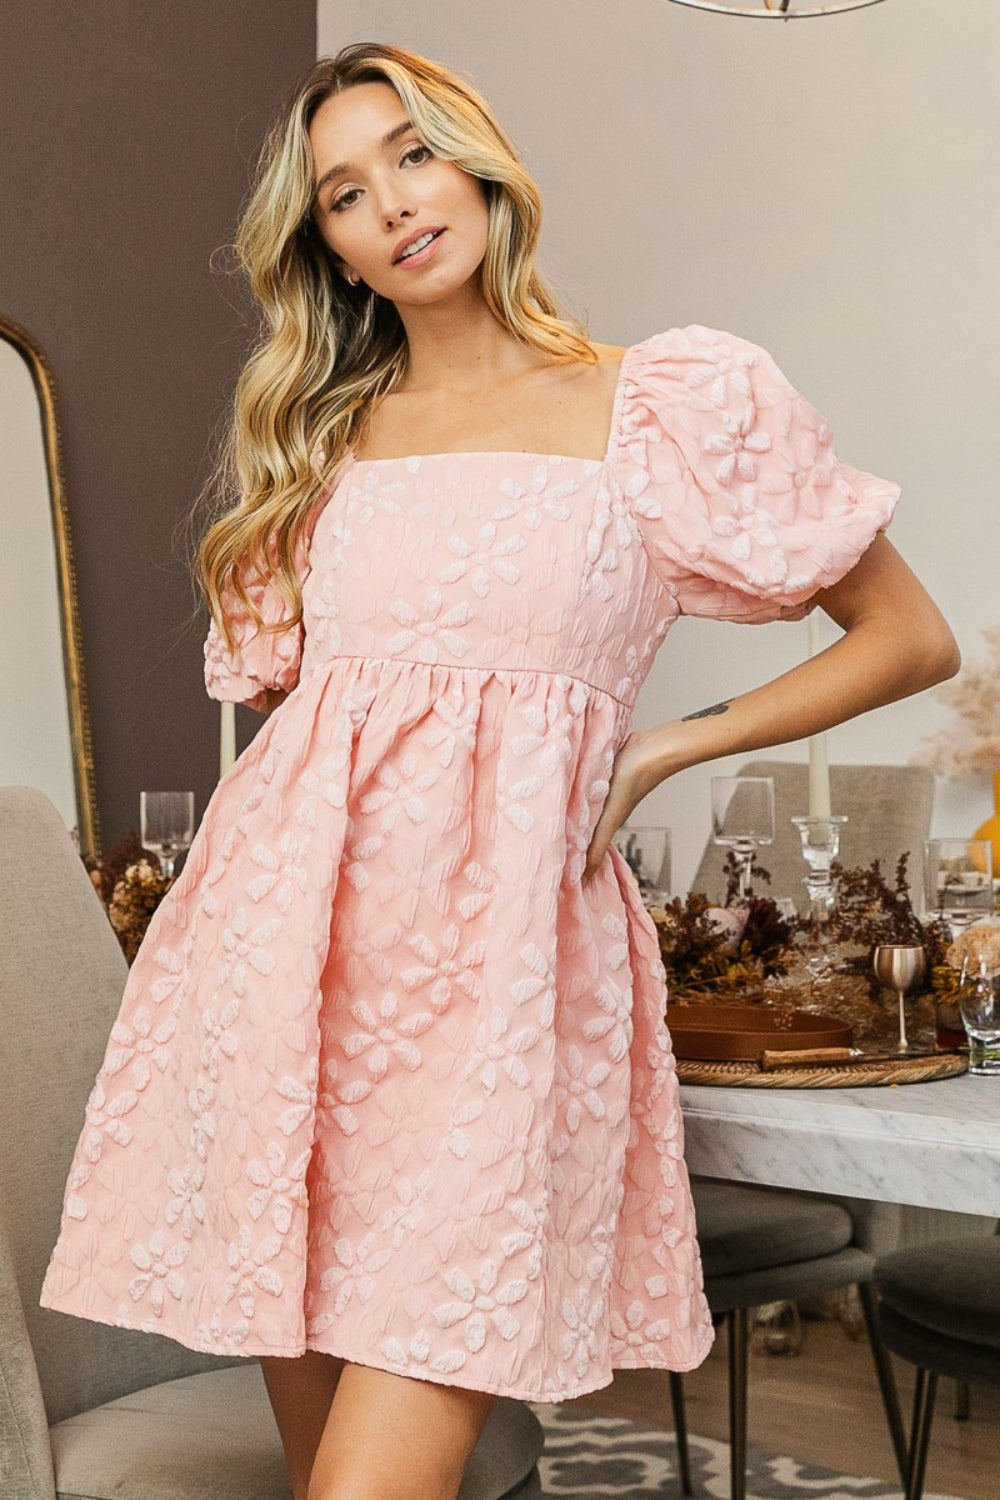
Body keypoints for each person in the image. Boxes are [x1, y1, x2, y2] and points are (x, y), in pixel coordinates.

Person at [40, 40, 959, 1500]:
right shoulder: (320, 436)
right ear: (324, 244)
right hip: (285, 967)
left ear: (476, 155)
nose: (392, 204)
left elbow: (909, 640)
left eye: (410, 153)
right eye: (343, 192)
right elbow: (318, 738)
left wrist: (668, 745)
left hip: (508, 980)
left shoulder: (664, 403)